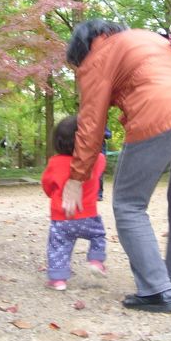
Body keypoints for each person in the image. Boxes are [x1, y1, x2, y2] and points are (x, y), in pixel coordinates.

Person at [62, 19, 171, 313]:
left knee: (128, 204)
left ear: (80, 50)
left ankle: (156, 290)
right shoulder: (148, 38)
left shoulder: (97, 57)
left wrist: (76, 177)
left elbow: (91, 124)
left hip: (159, 114)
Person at [41, 115, 107, 291]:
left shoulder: (54, 163)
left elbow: (47, 186)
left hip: (61, 217)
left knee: (58, 247)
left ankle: (58, 279)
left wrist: (54, 194)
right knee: (98, 236)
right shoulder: (98, 160)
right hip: (88, 215)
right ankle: (96, 260)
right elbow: (99, 166)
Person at [98, 125, 112, 201]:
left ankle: (99, 194)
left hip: (101, 153)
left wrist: (102, 133)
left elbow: (109, 135)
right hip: (89, 152)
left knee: (99, 174)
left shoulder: (102, 124)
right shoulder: (88, 123)